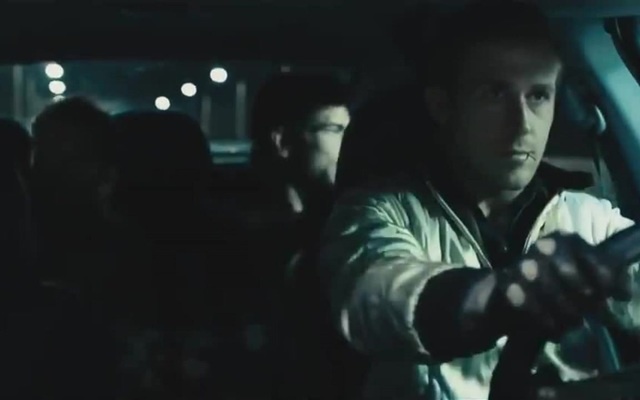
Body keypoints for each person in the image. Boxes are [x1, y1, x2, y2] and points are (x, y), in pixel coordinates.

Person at [317, 2, 640, 399]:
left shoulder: (587, 218)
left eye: (538, 95)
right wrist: (496, 297)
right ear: (442, 106)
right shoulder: (378, 212)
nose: (522, 125)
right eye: (495, 93)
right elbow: (376, 295)